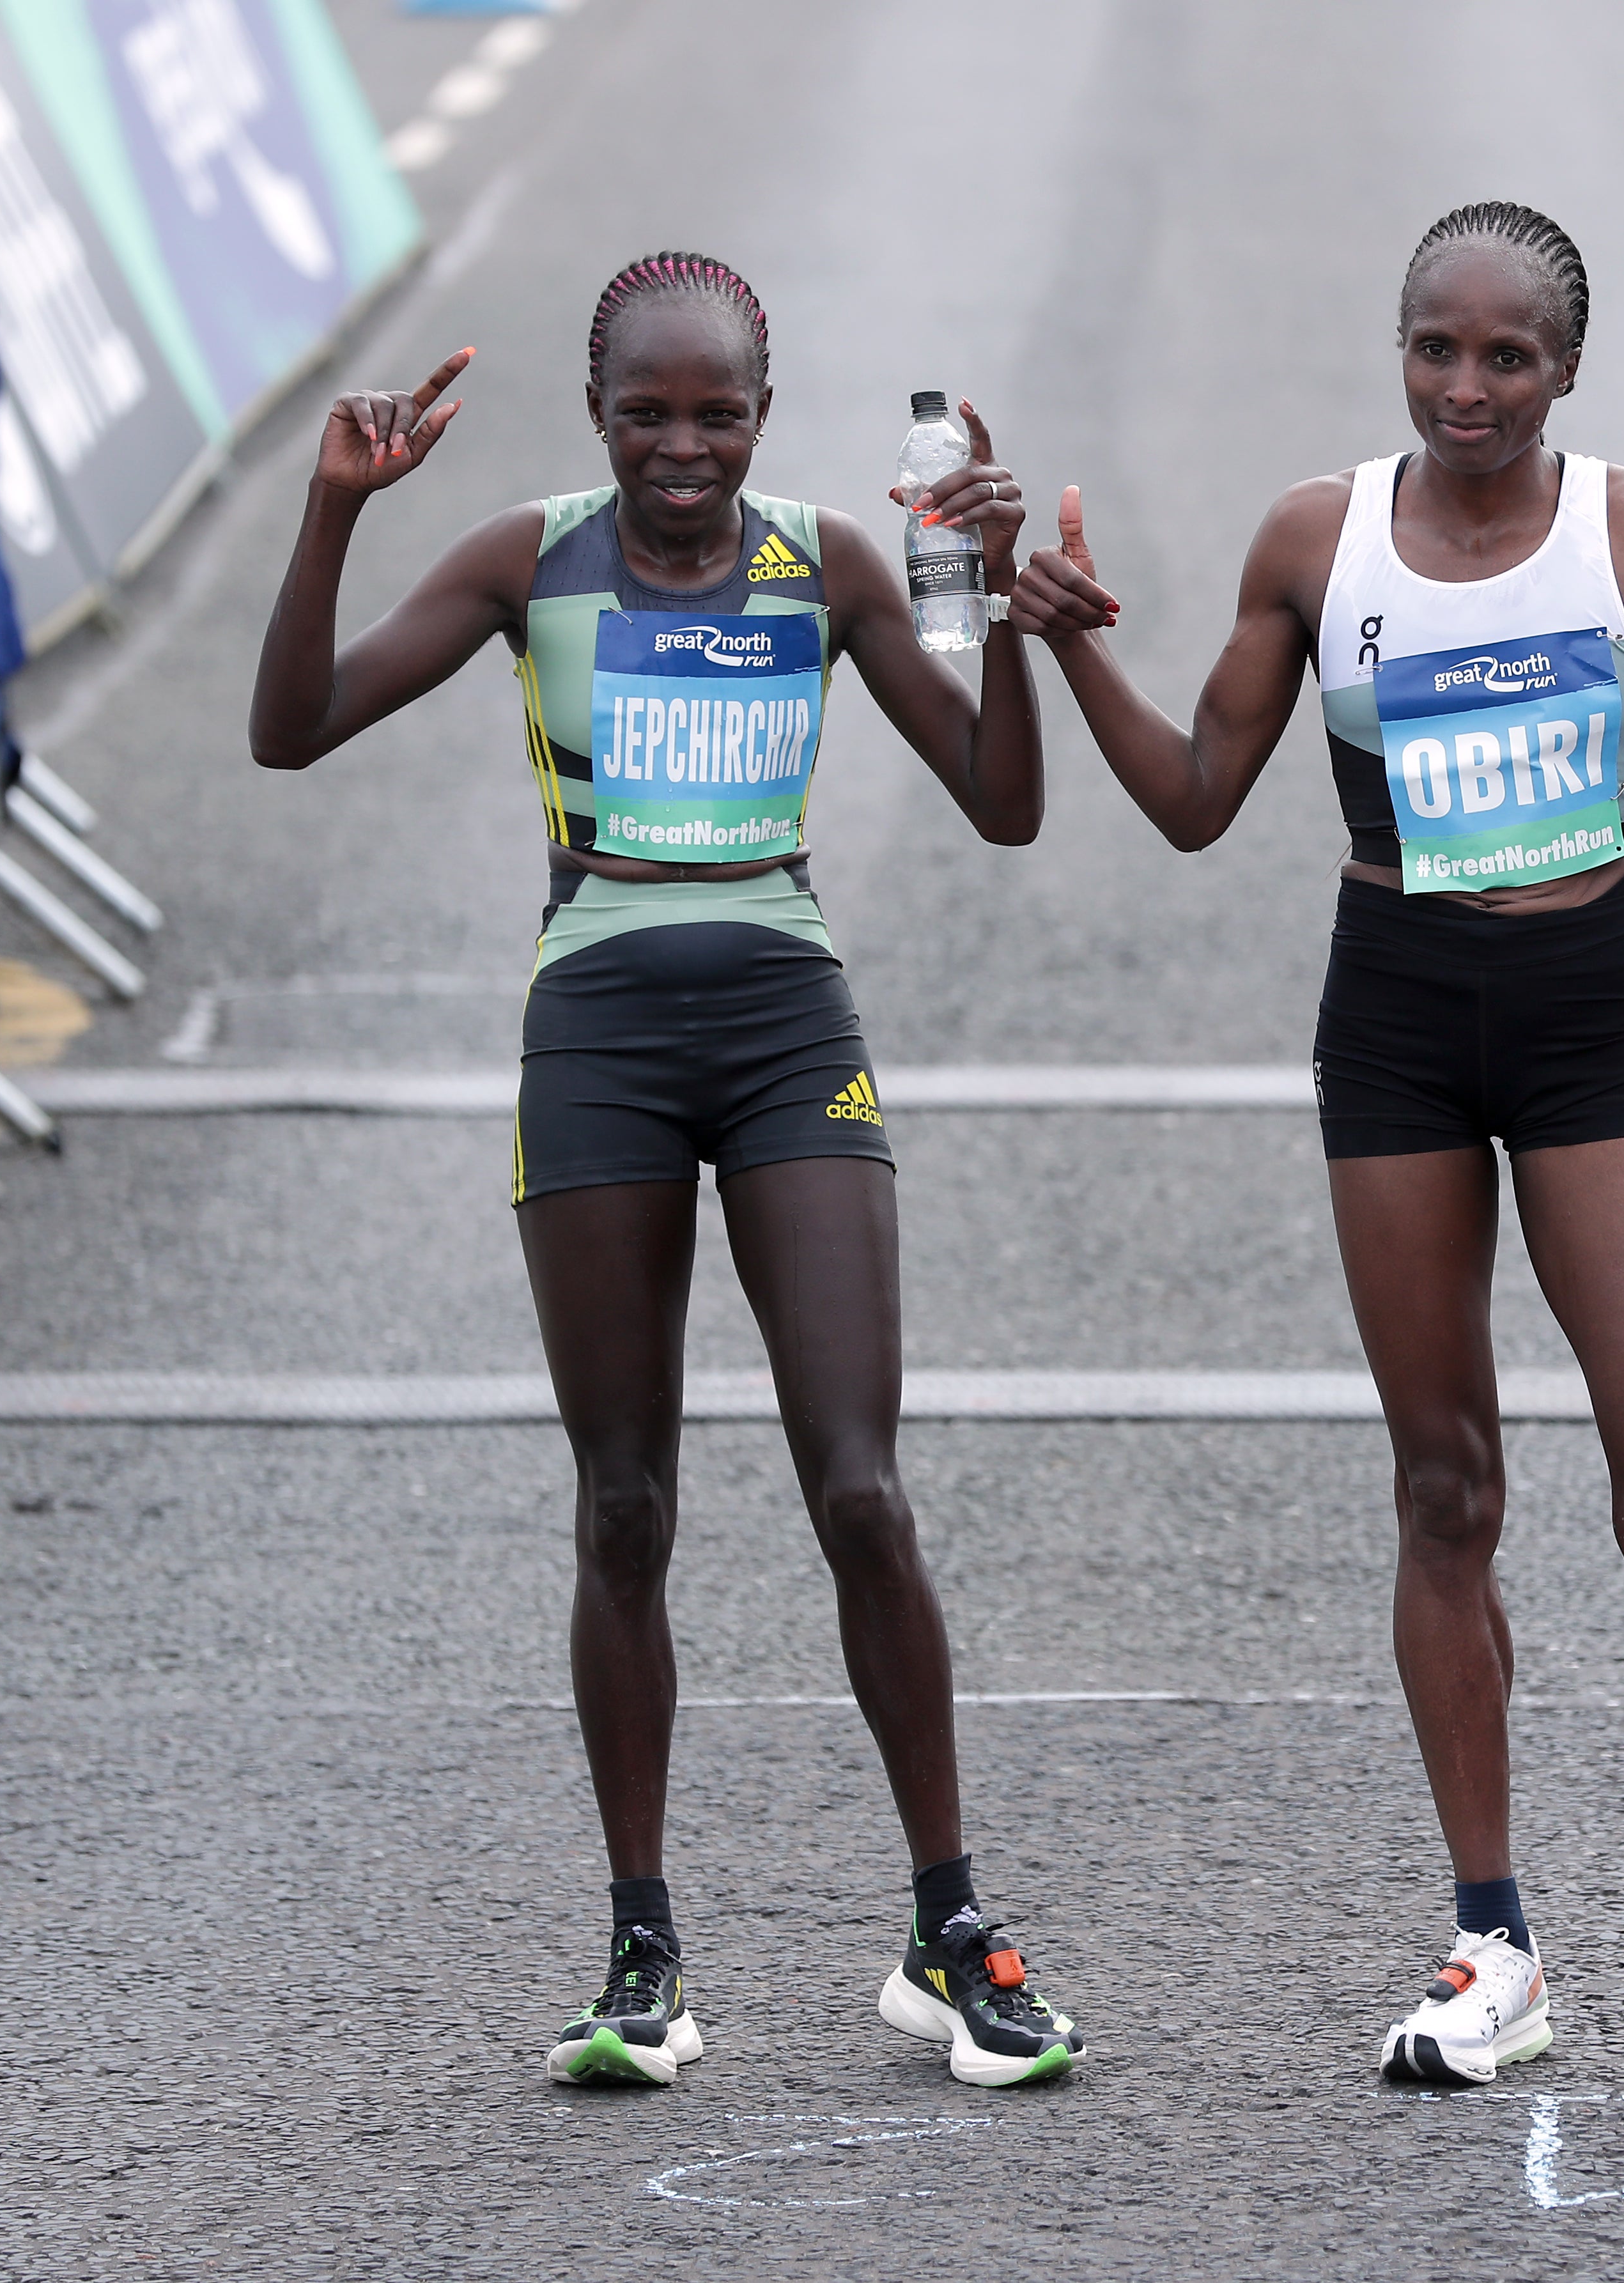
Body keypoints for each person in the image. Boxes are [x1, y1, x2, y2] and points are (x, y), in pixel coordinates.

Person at [979, 201, 1624, 2101]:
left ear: (1565, 368)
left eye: (1508, 355)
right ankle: (1490, 1941)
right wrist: (1069, 648)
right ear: (1397, 347)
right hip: (1397, 1016)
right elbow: (1188, 801)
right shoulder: (1313, 539)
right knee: (1446, 1487)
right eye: (1437, 347)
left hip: (1588, 1017)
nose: (1468, 384)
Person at [247, 252, 1084, 2093]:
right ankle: (642, 1945)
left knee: (859, 1490)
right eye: (649, 412)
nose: (683, 446)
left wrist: (1007, 621)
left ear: (763, 420)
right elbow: (288, 725)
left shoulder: (826, 563)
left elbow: (1004, 803)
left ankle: (949, 1928)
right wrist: (330, 514)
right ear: (598, 414)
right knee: (624, 1506)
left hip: (786, 1018)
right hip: (601, 1027)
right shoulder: (522, 559)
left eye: (717, 413)